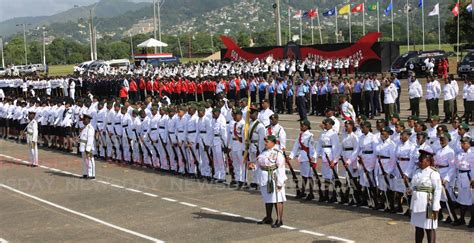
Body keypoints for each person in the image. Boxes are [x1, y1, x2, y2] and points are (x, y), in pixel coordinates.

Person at [409, 149, 442, 243]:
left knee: (429, 228)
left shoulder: (433, 173)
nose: (419, 162)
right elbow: (414, 185)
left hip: (427, 205)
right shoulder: (417, 171)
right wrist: (410, 190)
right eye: (419, 160)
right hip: (416, 204)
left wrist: (435, 207)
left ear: (428, 161)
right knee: (418, 228)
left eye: (421, 161)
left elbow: (437, 190)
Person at [255, 135, 287, 228]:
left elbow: (281, 167)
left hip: (274, 177)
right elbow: (259, 163)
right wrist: (254, 166)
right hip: (264, 177)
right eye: (265, 141)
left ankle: (279, 219)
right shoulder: (263, 152)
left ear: (273, 143)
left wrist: (280, 182)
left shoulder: (277, 153)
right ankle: (268, 217)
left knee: (277, 199)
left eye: (267, 142)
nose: (265, 143)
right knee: (267, 198)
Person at [288, 119, 315, 200]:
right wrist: (291, 156)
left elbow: (312, 148)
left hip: (307, 158)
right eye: (300, 125)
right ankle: (307, 192)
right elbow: (295, 147)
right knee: (306, 176)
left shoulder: (310, 136)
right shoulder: (300, 135)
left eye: (302, 125)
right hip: (303, 157)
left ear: (307, 126)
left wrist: (312, 158)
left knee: (307, 176)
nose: (301, 127)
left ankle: (306, 192)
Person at [452, 137, 474, 227]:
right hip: (460, 177)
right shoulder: (459, 154)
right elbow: (456, 167)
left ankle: (473, 220)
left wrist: (473, 179)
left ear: (469, 144)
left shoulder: (472, 154)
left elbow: (473, 168)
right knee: (461, 199)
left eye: (464, 143)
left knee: (470, 200)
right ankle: (462, 219)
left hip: (468, 178)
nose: (462, 145)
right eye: (461, 143)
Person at [79, 111, 96, 179]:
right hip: (83, 146)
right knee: (85, 161)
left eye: (85, 119)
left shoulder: (90, 128)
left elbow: (90, 140)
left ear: (88, 120)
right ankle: (85, 173)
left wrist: (88, 149)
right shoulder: (84, 127)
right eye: (83, 119)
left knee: (90, 161)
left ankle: (92, 174)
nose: (83, 120)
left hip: (88, 147)